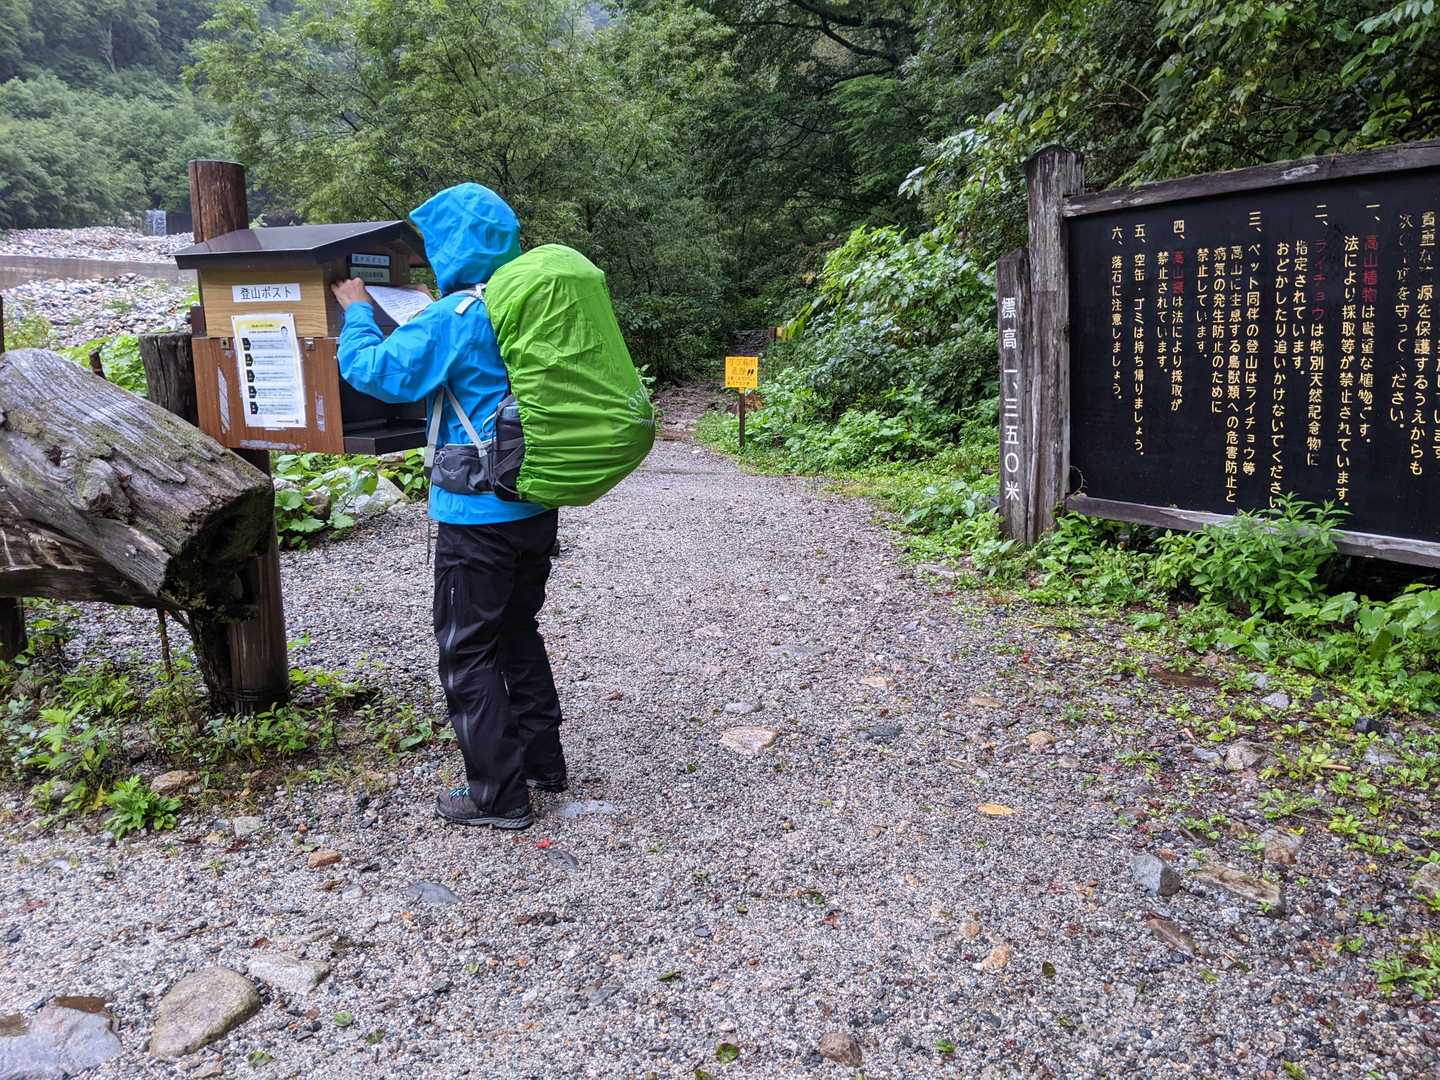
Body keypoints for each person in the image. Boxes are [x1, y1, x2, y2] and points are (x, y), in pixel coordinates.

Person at [331, 183, 565, 831]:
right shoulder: (526, 307)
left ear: (449, 248)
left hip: (476, 517)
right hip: (534, 503)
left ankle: (499, 796)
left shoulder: (455, 316)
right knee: (517, 631)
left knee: (467, 653)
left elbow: (376, 371)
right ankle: (544, 764)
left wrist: (357, 309)